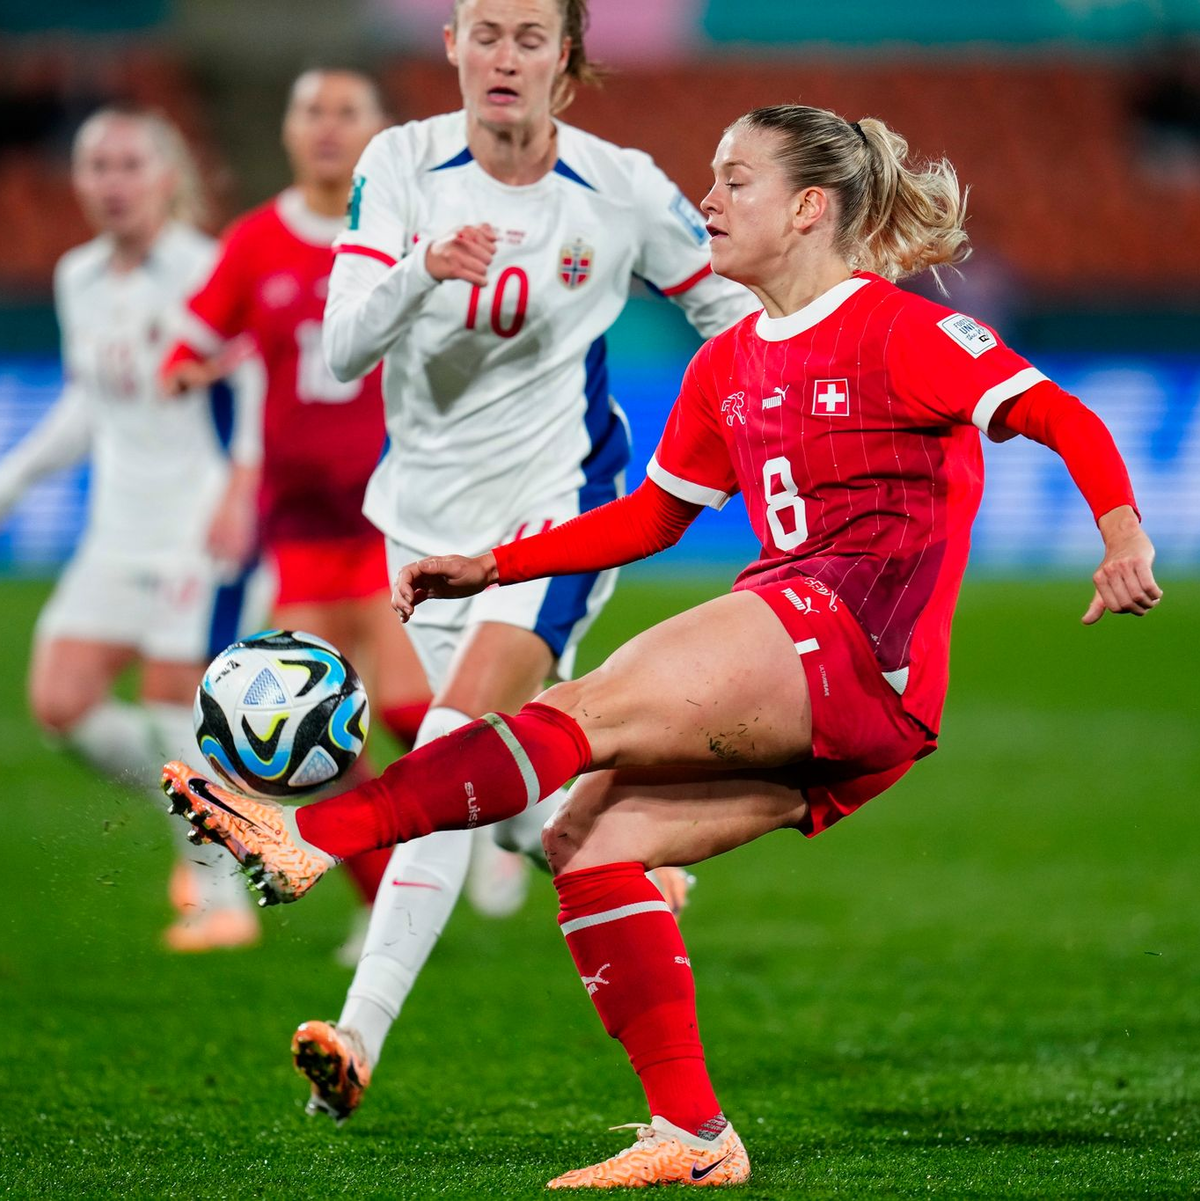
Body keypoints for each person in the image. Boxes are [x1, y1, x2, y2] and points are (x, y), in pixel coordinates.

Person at [164, 99, 1162, 1186]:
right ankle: (693, 1134)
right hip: (852, 697)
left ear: (810, 207)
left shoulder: (897, 329)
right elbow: (650, 516)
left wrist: (1120, 534)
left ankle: (319, 836)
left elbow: (1060, 412)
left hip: (849, 631)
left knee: (586, 711)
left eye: (737, 180)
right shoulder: (728, 362)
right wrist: (494, 565)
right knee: (589, 842)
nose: (709, 198)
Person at [287, 0, 759, 1123]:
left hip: (553, 515)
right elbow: (343, 345)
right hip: (419, 520)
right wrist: (420, 267)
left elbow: (726, 311)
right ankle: (597, 846)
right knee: (495, 765)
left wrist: (781, 401)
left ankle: (358, 1033)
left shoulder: (620, 185)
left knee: (449, 741)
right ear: (451, 46)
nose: (505, 57)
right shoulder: (403, 163)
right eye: (485, 32)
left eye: (530, 37)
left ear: (568, 58)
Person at [160, 68, 433, 916]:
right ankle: (383, 905)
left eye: (345, 112)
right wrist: (190, 372)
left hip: (398, 509)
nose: (325, 127)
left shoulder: (407, 233)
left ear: (380, 131)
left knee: (409, 707)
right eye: (310, 111)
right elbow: (190, 345)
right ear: (285, 130)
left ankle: (502, 830)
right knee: (321, 734)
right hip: (303, 523)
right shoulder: (253, 242)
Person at [0, 106, 266, 952]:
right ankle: (214, 814)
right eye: (97, 166)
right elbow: (90, 400)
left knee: (167, 710)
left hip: (196, 521)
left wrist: (240, 489)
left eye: (128, 165)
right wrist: (16, 474)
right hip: (116, 526)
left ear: (165, 175)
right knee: (61, 704)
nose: (112, 182)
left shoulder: (206, 268)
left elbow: (253, 381)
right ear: (79, 182)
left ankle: (224, 896)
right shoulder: (80, 276)